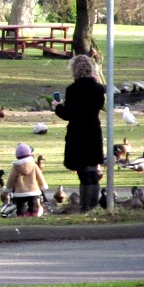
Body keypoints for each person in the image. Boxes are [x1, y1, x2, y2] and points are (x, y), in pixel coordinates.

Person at [52, 54, 105, 212]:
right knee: (92, 171)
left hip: (78, 134)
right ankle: (93, 205)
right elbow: (99, 106)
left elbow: (68, 114)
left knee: (83, 172)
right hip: (94, 132)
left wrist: (57, 106)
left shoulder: (73, 89)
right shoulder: (98, 88)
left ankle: (85, 206)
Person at [5, 143, 48, 217]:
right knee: (33, 204)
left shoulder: (15, 167)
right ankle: (33, 213)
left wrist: (8, 188)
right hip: (33, 191)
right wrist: (43, 186)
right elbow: (40, 176)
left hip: (20, 192)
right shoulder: (34, 166)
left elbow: (11, 179)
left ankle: (21, 214)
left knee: (20, 205)